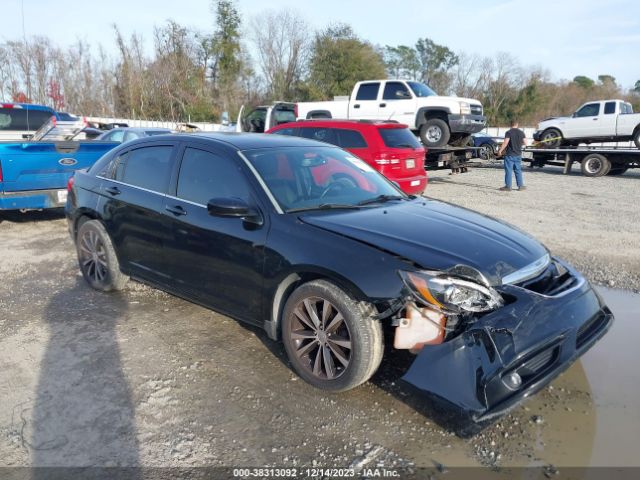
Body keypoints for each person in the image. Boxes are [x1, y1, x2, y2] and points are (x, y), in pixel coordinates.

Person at [497, 119, 527, 191]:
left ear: (511, 125)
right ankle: (520, 186)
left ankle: (508, 186)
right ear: (517, 124)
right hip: (518, 154)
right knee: (518, 170)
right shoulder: (521, 132)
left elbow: (505, 143)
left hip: (510, 155)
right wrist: (519, 144)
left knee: (509, 170)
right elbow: (525, 143)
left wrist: (500, 151)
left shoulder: (509, 132)